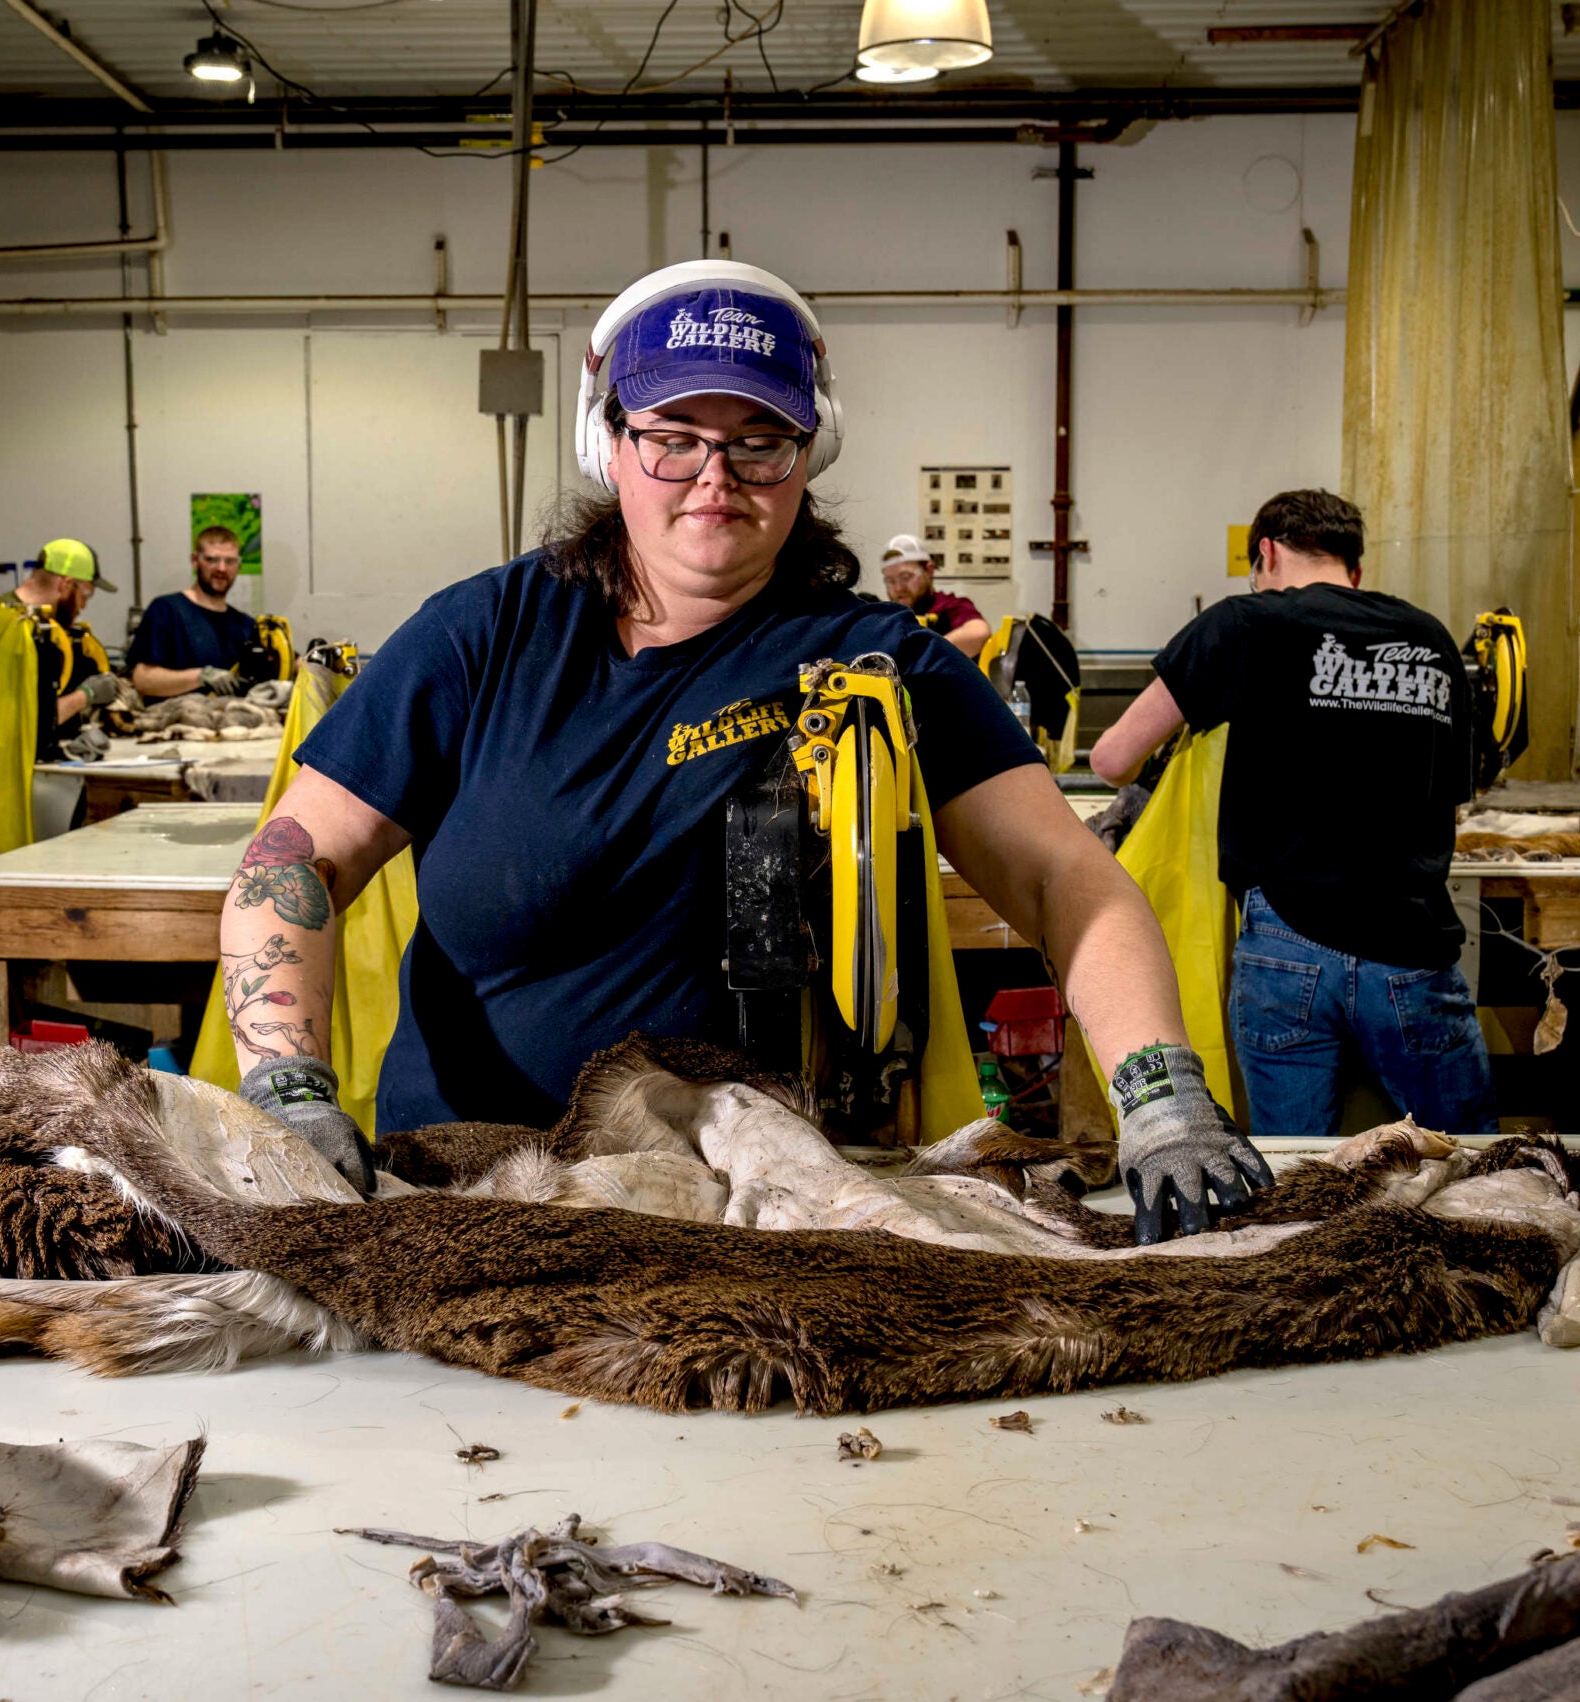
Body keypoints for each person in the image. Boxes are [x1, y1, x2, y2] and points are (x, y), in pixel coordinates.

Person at [215, 260, 1268, 1243]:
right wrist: (288, 1089)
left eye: (760, 441)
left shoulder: (875, 663)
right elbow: (293, 860)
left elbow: (1059, 874)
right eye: (674, 435)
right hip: (470, 1190)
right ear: (610, 445)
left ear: (808, 456)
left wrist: (1159, 1092)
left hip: (749, 1209)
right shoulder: (483, 637)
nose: (715, 476)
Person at [1087, 489, 1494, 1138]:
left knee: (1292, 1170)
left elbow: (1113, 758)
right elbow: (1453, 790)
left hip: (1285, 945)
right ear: (1354, 569)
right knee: (1470, 1165)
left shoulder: (1243, 623)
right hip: (1410, 941)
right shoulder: (1431, 638)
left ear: (1267, 554)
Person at [0, 538, 124, 852]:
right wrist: (85, 696)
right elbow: (17, 723)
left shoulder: (30, 620)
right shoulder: (8, 624)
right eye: (85, 593)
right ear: (66, 584)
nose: (84, 605)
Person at [128, 526, 266, 700]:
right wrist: (200, 677)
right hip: (176, 722)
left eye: (229, 561)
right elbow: (143, 680)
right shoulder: (166, 610)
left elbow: (288, 661)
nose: (221, 569)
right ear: (195, 560)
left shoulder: (245, 625)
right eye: (212, 559)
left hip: (234, 721)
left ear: (238, 565)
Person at [878, 535, 989, 658]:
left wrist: (920, 655)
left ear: (929, 570)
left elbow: (978, 633)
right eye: (890, 581)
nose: (898, 588)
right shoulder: (889, 617)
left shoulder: (949, 606)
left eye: (906, 577)